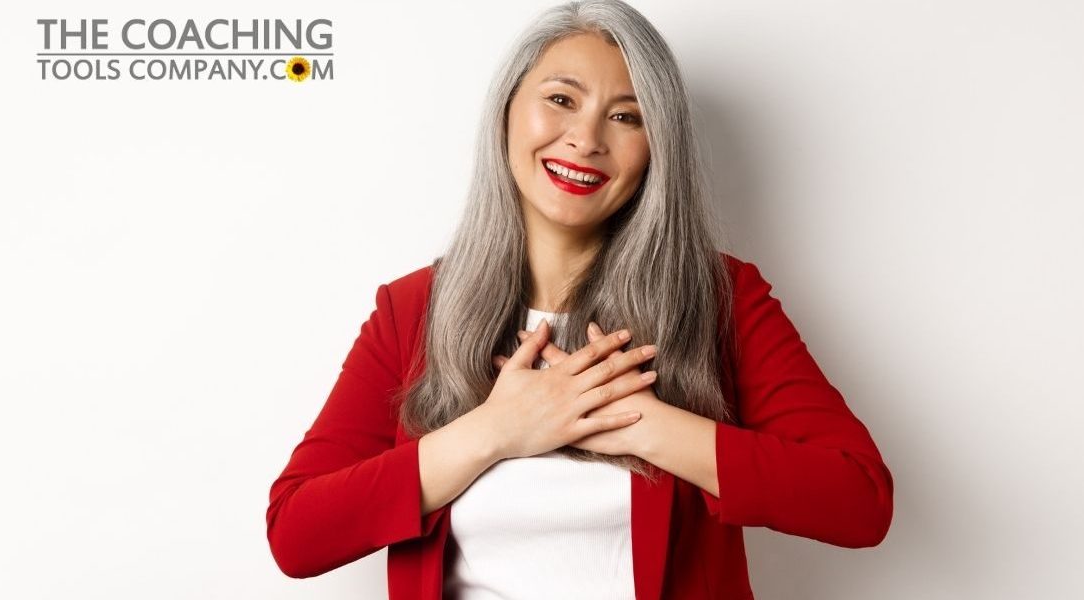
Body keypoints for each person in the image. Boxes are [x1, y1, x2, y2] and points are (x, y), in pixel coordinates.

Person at [265, 1, 894, 598]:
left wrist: (642, 423)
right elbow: (296, 533)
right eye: (561, 100)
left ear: (657, 148)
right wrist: (495, 431)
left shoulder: (720, 298)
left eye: (626, 116)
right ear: (509, 112)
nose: (586, 138)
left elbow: (858, 499)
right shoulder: (413, 311)